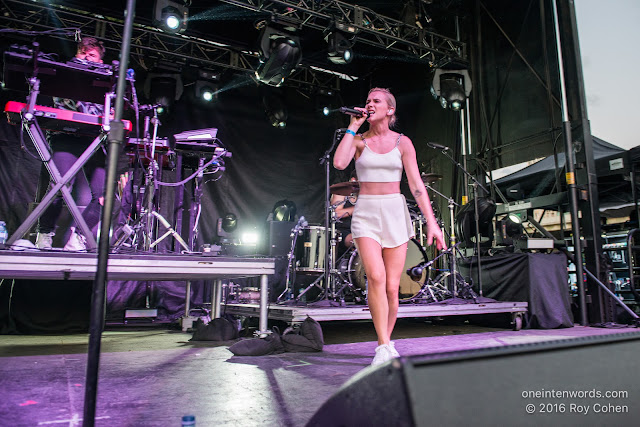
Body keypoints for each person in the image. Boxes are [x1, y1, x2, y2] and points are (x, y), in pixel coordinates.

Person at [333, 87, 446, 366]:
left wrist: (432, 222)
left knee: (393, 287)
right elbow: (339, 162)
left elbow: (417, 186)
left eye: (376, 101)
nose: (370, 104)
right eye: (368, 100)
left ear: (390, 110)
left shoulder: (403, 143)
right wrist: (352, 127)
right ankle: (382, 345)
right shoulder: (358, 141)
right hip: (366, 213)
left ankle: (387, 339)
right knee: (376, 277)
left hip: (395, 211)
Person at [35, 37, 108, 251]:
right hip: (66, 137)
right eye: (82, 53)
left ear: (100, 61)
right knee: (60, 186)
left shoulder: (105, 82)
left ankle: (79, 237)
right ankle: (44, 232)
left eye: (92, 55)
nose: (86, 57)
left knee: (104, 196)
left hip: (93, 139)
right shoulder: (66, 74)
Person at [330, 171, 358, 254]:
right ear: (353, 180)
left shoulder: (366, 196)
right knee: (359, 240)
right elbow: (336, 213)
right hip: (342, 232)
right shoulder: (341, 192)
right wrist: (359, 209)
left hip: (361, 230)